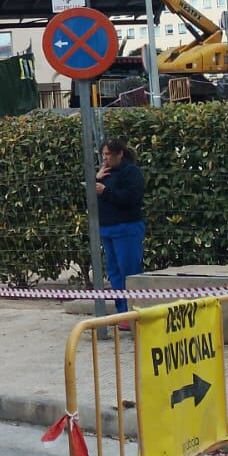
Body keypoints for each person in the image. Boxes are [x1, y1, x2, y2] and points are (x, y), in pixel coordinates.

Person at [95, 138, 145, 326]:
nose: (105, 158)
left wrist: (105, 191)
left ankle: (134, 312)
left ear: (120, 154)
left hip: (126, 227)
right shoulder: (104, 173)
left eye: (108, 154)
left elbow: (131, 198)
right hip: (107, 228)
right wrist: (97, 180)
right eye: (103, 154)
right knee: (114, 272)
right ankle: (122, 313)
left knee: (128, 271)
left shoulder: (131, 172)